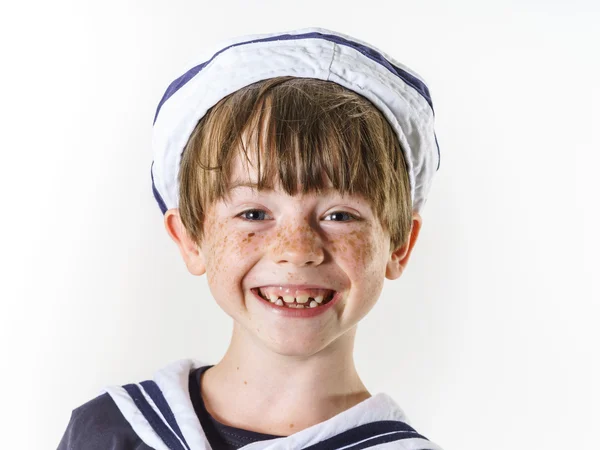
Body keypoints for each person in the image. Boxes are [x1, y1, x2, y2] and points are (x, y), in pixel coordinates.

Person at [57, 27, 444, 449]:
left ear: (400, 244)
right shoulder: (109, 432)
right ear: (189, 237)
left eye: (339, 215)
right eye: (254, 213)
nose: (297, 251)